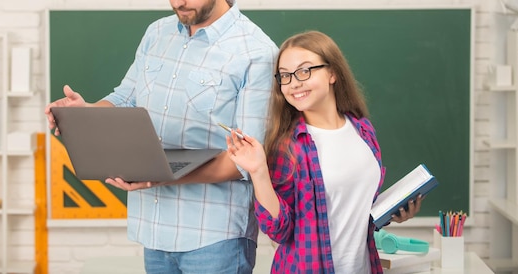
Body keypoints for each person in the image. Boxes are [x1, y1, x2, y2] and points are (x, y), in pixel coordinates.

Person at [44, 0, 278, 273]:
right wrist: (86, 113)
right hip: (154, 232)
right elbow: (126, 98)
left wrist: (160, 173)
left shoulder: (256, 51)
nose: (179, 2)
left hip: (214, 237)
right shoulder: (157, 33)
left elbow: (246, 159)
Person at [224, 30, 424, 273]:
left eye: (305, 71)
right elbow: (280, 230)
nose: (294, 82)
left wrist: (393, 213)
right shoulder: (288, 146)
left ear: (332, 73)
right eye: (285, 76)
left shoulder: (362, 130)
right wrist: (258, 172)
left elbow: (353, 211)